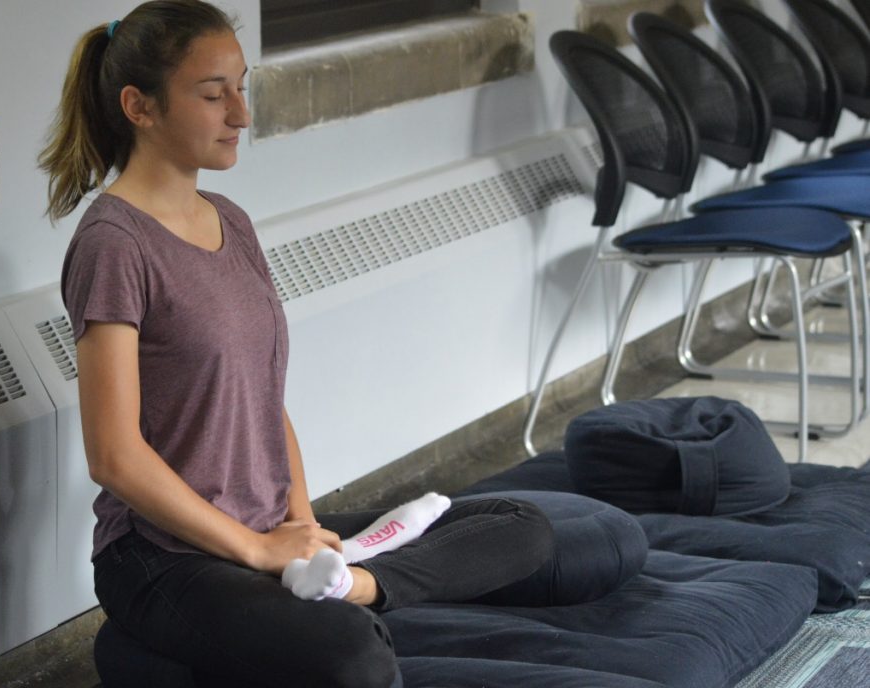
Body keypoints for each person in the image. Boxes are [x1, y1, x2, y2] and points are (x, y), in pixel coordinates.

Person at [38, 2, 554, 686]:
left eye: (241, 88)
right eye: (213, 94)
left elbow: (263, 398)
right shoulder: (114, 245)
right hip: (164, 557)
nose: (241, 116)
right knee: (351, 656)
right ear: (140, 106)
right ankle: (333, 607)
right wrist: (257, 552)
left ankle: (356, 589)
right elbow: (115, 457)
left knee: (521, 523)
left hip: (263, 527)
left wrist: (301, 529)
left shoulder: (231, 221)